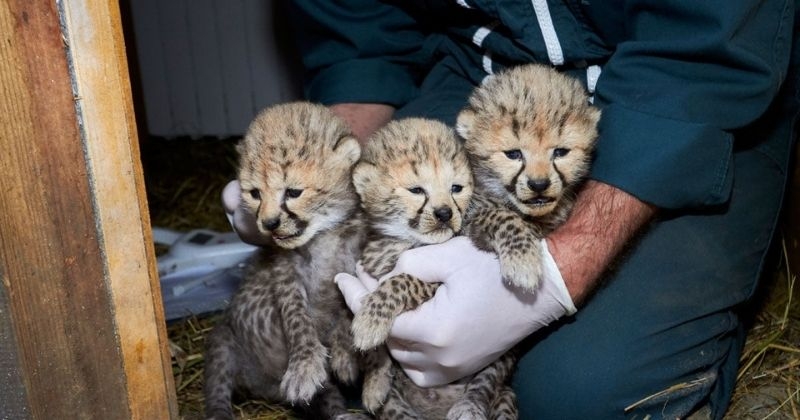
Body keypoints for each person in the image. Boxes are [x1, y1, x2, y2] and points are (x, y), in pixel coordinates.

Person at [223, 1, 800, 418]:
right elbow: (361, 33)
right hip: (478, 70)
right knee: (336, 327)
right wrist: (316, 168)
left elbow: (706, 40)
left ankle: (681, 373)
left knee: (580, 397)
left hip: (684, 87)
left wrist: (558, 271)